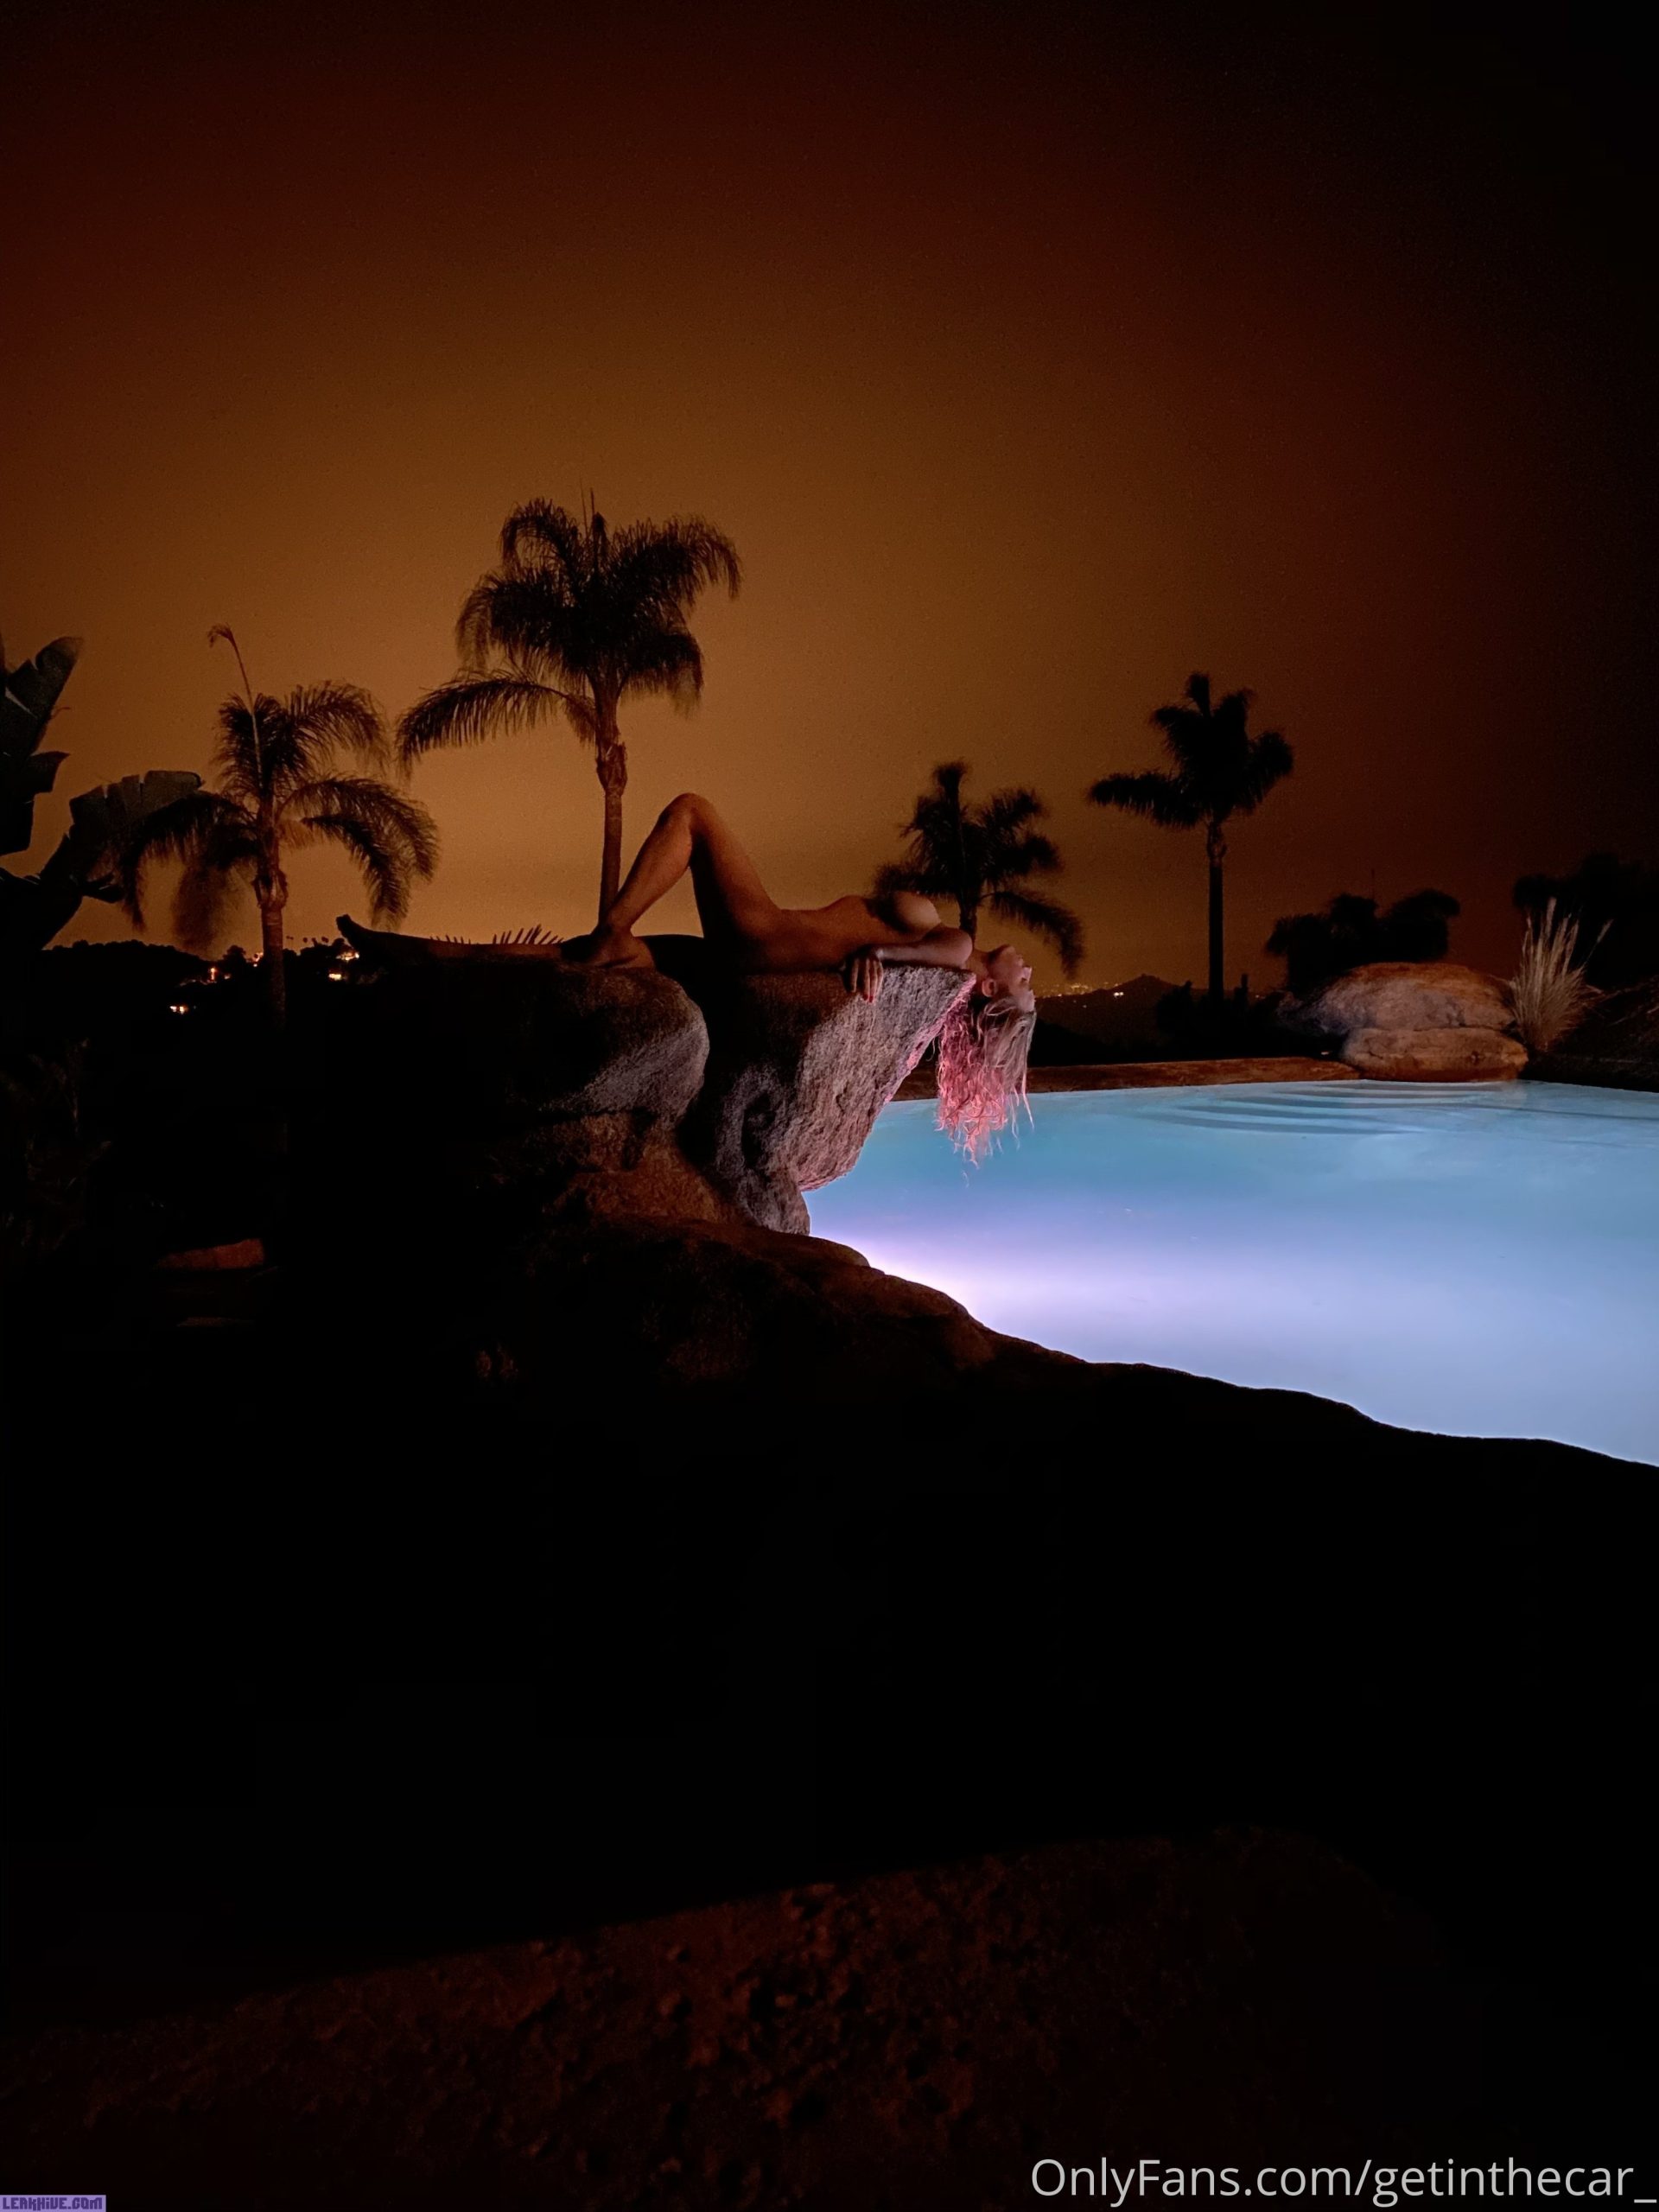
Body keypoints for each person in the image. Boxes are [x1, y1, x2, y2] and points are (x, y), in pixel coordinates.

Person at [341, 792, 1037, 1158]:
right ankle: (426, 954)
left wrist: (880, 956)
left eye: (1025, 984)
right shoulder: (942, 961)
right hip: (746, 967)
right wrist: (882, 955)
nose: (1028, 968)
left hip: (762, 938)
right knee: (595, 958)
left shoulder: (957, 951)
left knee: (692, 813)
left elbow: (946, 954)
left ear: (992, 989)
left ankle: (613, 923)